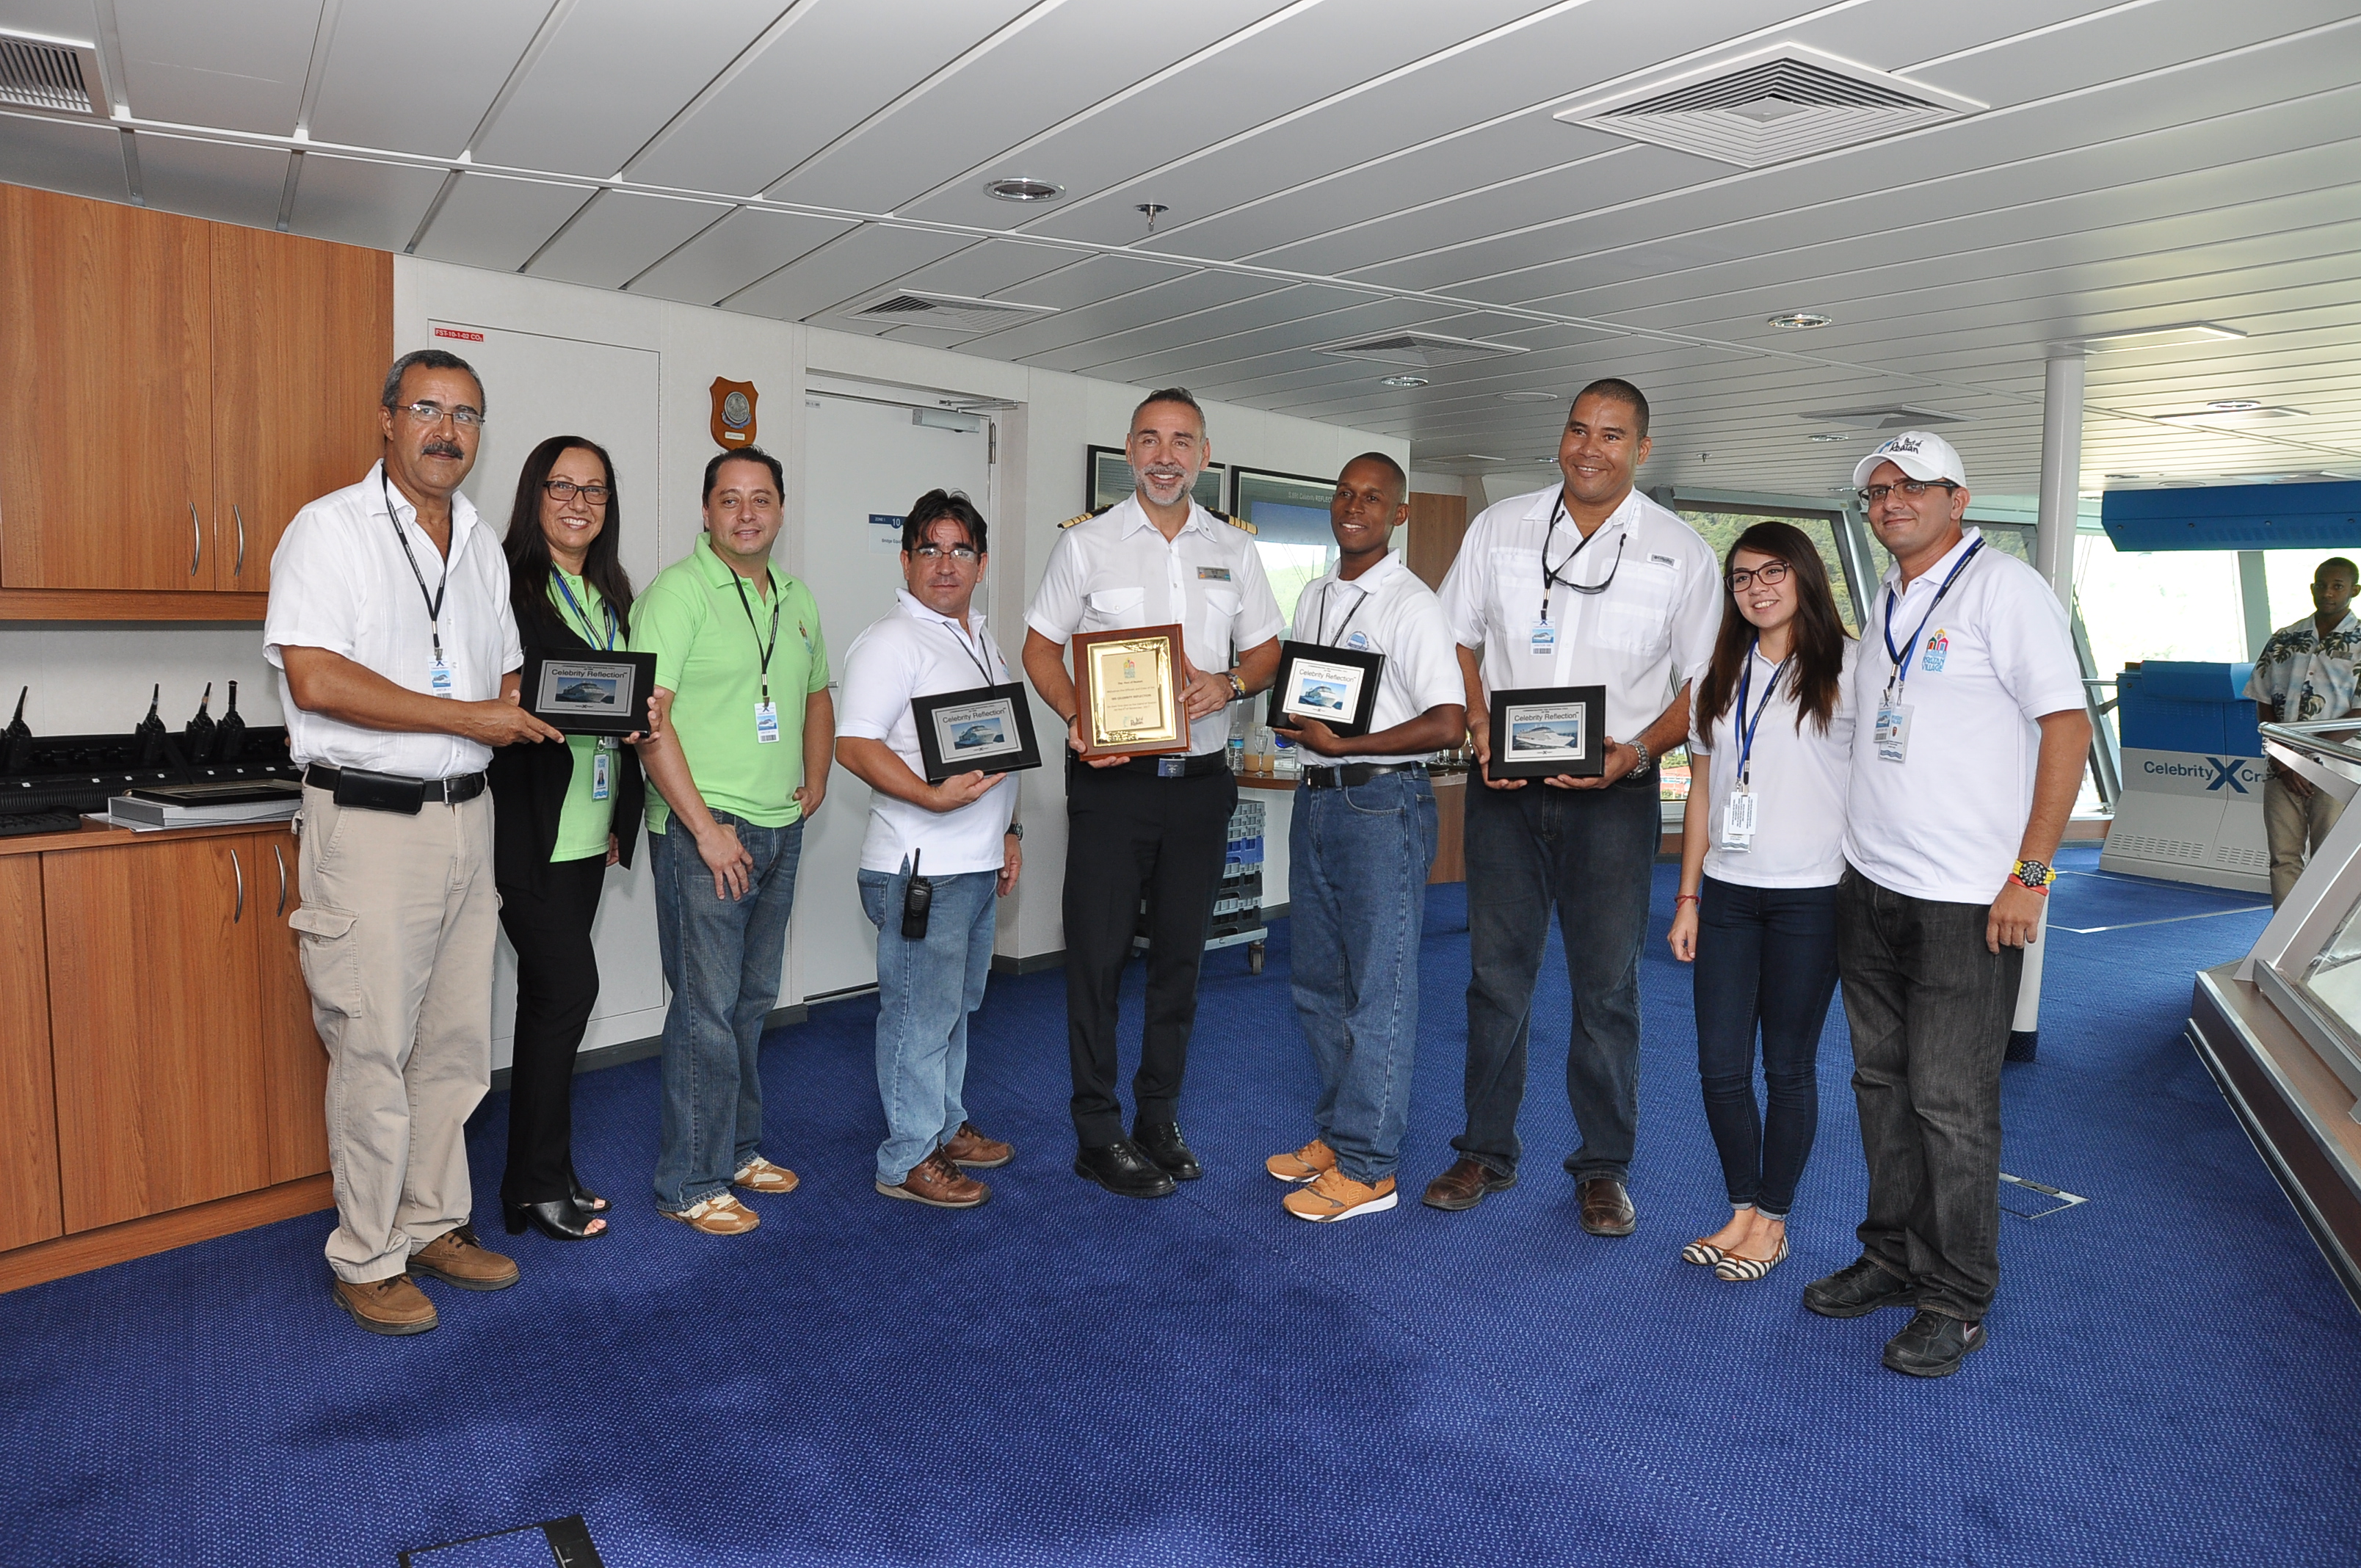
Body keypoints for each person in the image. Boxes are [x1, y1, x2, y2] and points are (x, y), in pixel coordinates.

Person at [266, 348, 564, 1336]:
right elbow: (316, 679)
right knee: (373, 1046)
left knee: (455, 1046)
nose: (448, 431)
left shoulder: (478, 543)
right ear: (388, 420)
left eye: (466, 415)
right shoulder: (329, 529)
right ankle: (367, 1255)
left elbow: (505, 680)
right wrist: (468, 716)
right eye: (428, 409)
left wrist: (582, 705)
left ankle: (433, 1224)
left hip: (467, 817)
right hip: (370, 822)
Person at [1805, 430, 2090, 1378]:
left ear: (1957, 499)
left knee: (1951, 1104)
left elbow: (2067, 729)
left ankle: (1957, 1299)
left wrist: (2032, 876)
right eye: (1877, 491)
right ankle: (1892, 1257)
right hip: (1871, 886)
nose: (1890, 503)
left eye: (1911, 487)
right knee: (1881, 1088)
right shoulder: (1890, 597)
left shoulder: (2007, 591)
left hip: (1968, 901)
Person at [1425, 379, 1719, 1233]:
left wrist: (1637, 751)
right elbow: (1454, 637)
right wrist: (1480, 723)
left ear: (1642, 450)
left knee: (1607, 989)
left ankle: (1602, 1168)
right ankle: (1485, 1150)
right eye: (1579, 429)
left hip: (1614, 798)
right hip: (1506, 792)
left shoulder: (1680, 553)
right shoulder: (1501, 528)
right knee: (1495, 979)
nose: (1590, 448)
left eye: (1612, 435)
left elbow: (1705, 684)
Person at [1022, 388, 1283, 1198]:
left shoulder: (1235, 549)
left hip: (1200, 786)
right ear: (1130, 451)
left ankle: (1157, 1117)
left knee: (1180, 959)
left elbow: (1267, 652)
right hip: (1115, 786)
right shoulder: (1087, 544)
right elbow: (1039, 649)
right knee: (1097, 959)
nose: (1165, 457)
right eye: (1149, 440)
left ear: (1204, 455)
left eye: (1181, 442)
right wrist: (1078, 716)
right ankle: (1096, 1130)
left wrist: (1230, 683)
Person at [629, 446, 833, 1235]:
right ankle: (690, 1181)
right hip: (706, 834)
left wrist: (815, 779)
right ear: (706, 511)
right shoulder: (677, 593)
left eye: (762, 498)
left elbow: (816, 694)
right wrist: (706, 830)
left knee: (750, 1004)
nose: (747, 514)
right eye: (730, 499)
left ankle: (739, 1150)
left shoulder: (796, 596)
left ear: (781, 508)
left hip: (779, 828)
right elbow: (650, 722)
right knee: (705, 1012)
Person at [1263, 454, 1464, 1222]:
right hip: (1317, 799)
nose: (1354, 507)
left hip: (1382, 803)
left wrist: (1348, 745)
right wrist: (1304, 728)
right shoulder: (1316, 594)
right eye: (1345, 494)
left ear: (1398, 515)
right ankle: (1339, 1136)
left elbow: (1446, 723)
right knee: (1318, 983)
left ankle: (1371, 1168)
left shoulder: (1412, 604)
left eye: (1373, 498)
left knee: (1379, 988)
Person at [1666, 523, 1858, 1282]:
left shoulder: (1849, 668)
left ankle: (1772, 1223)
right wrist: (1688, 896)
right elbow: (1702, 791)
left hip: (1812, 897)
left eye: (1773, 571)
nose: (1758, 588)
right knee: (1719, 1067)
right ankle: (1741, 1209)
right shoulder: (1717, 673)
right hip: (1728, 894)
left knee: (1787, 1068)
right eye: (1742, 577)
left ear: (1805, 575)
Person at [835, 490, 1023, 1209]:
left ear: (981, 562)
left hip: (973, 863)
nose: (946, 564)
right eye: (930, 550)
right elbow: (855, 745)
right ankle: (908, 1157)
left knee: (952, 1010)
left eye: (961, 550)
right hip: (921, 869)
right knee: (918, 1015)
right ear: (906, 559)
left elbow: (1000, 751)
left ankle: (944, 1124)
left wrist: (1010, 832)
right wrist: (928, 796)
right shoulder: (892, 641)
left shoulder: (980, 639)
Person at [486, 435, 647, 1243]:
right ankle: (533, 1184)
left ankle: (547, 1173)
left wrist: (619, 815)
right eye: (562, 487)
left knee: (549, 1004)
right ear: (534, 494)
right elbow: (506, 695)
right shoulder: (506, 586)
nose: (579, 504)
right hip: (528, 827)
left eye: (595, 490)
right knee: (568, 993)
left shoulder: (611, 593)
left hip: (588, 827)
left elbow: (618, 709)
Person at [2246, 556, 2361, 906]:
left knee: (2331, 862)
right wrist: (2284, 760)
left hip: (2337, 770)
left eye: (2338, 586)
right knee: (2283, 859)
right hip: (2281, 768)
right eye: (2322, 585)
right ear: (2312, 588)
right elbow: (2263, 699)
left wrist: (2305, 757)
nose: (2328, 592)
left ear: (2354, 591)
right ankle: (2286, 936)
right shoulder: (2285, 638)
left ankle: (2328, 938)